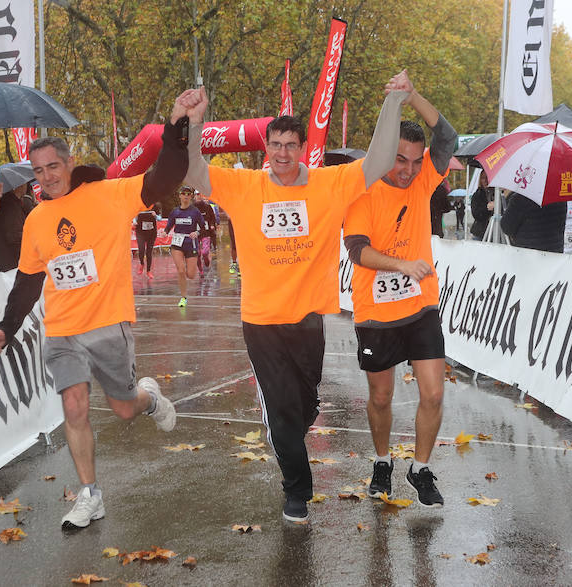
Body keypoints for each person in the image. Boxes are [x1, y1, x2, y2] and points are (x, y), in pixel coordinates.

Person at [179, 72, 407, 522]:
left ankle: (287, 435)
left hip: (308, 321)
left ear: (301, 149)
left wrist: (394, 103)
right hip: (261, 321)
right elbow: (192, 171)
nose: (282, 154)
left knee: (306, 407)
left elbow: (379, 161)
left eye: (290, 145)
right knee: (283, 409)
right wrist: (194, 122)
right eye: (275, 145)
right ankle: (297, 491)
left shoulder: (329, 184)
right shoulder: (245, 187)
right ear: (267, 148)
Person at [0, 90, 191, 530]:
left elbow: (167, 177)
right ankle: (89, 495)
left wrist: (175, 124)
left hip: (106, 323)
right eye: (38, 171)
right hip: (62, 331)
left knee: (122, 408)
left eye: (53, 167)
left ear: (69, 162)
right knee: (74, 408)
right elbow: (28, 280)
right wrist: (8, 327)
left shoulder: (108, 194)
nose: (47, 177)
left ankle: (149, 400)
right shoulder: (37, 218)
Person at [343, 73, 457, 509]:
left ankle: (421, 469)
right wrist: (403, 265)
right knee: (381, 396)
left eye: (414, 161)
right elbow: (357, 251)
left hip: (421, 305)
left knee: (433, 393)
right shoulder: (362, 189)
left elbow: (446, 134)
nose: (408, 170)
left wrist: (412, 95)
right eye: (399, 160)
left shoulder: (426, 177)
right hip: (375, 310)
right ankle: (382, 461)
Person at [165, 185, 205, 307]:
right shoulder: (175, 212)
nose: (186, 196)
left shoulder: (195, 212)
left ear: (191, 196)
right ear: (180, 196)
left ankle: (192, 269)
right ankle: (183, 297)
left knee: (191, 275)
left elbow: (204, 228)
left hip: (190, 244)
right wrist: (164, 232)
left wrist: (197, 233)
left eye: (188, 194)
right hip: (177, 244)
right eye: (184, 194)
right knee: (181, 270)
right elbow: (168, 227)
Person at [0, 181, 35, 271]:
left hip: (4, 258)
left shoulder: (10, 203)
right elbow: (14, 235)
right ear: (20, 186)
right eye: (25, 184)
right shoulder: (11, 205)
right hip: (9, 262)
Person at [500, 191, 567, 253]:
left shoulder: (521, 198)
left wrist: (507, 200)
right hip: (555, 252)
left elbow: (507, 227)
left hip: (528, 253)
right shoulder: (560, 197)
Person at [193, 191, 218, 274]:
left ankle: (206, 260)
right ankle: (200, 271)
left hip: (206, 232)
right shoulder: (191, 208)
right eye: (197, 195)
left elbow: (212, 217)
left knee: (204, 252)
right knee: (197, 253)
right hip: (195, 233)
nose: (198, 196)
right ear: (194, 196)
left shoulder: (207, 206)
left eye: (200, 194)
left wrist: (212, 225)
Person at [134, 205, 159, 278]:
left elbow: (160, 218)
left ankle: (148, 271)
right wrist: (134, 222)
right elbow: (133, 216)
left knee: (149, 252)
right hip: (140, 232)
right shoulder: (139, 205)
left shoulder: (156, 206)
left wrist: (156, 216)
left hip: (151, 233)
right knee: (141, 250)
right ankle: (142, 264)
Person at [469, 170, 494, 241]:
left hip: (495, 232)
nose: (485, 180)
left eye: (487, 177)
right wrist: (487, 208)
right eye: (483, 178)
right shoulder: (477, 195)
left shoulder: (497, 193)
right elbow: (476, 214)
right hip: (480, 233)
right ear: (480, 180)